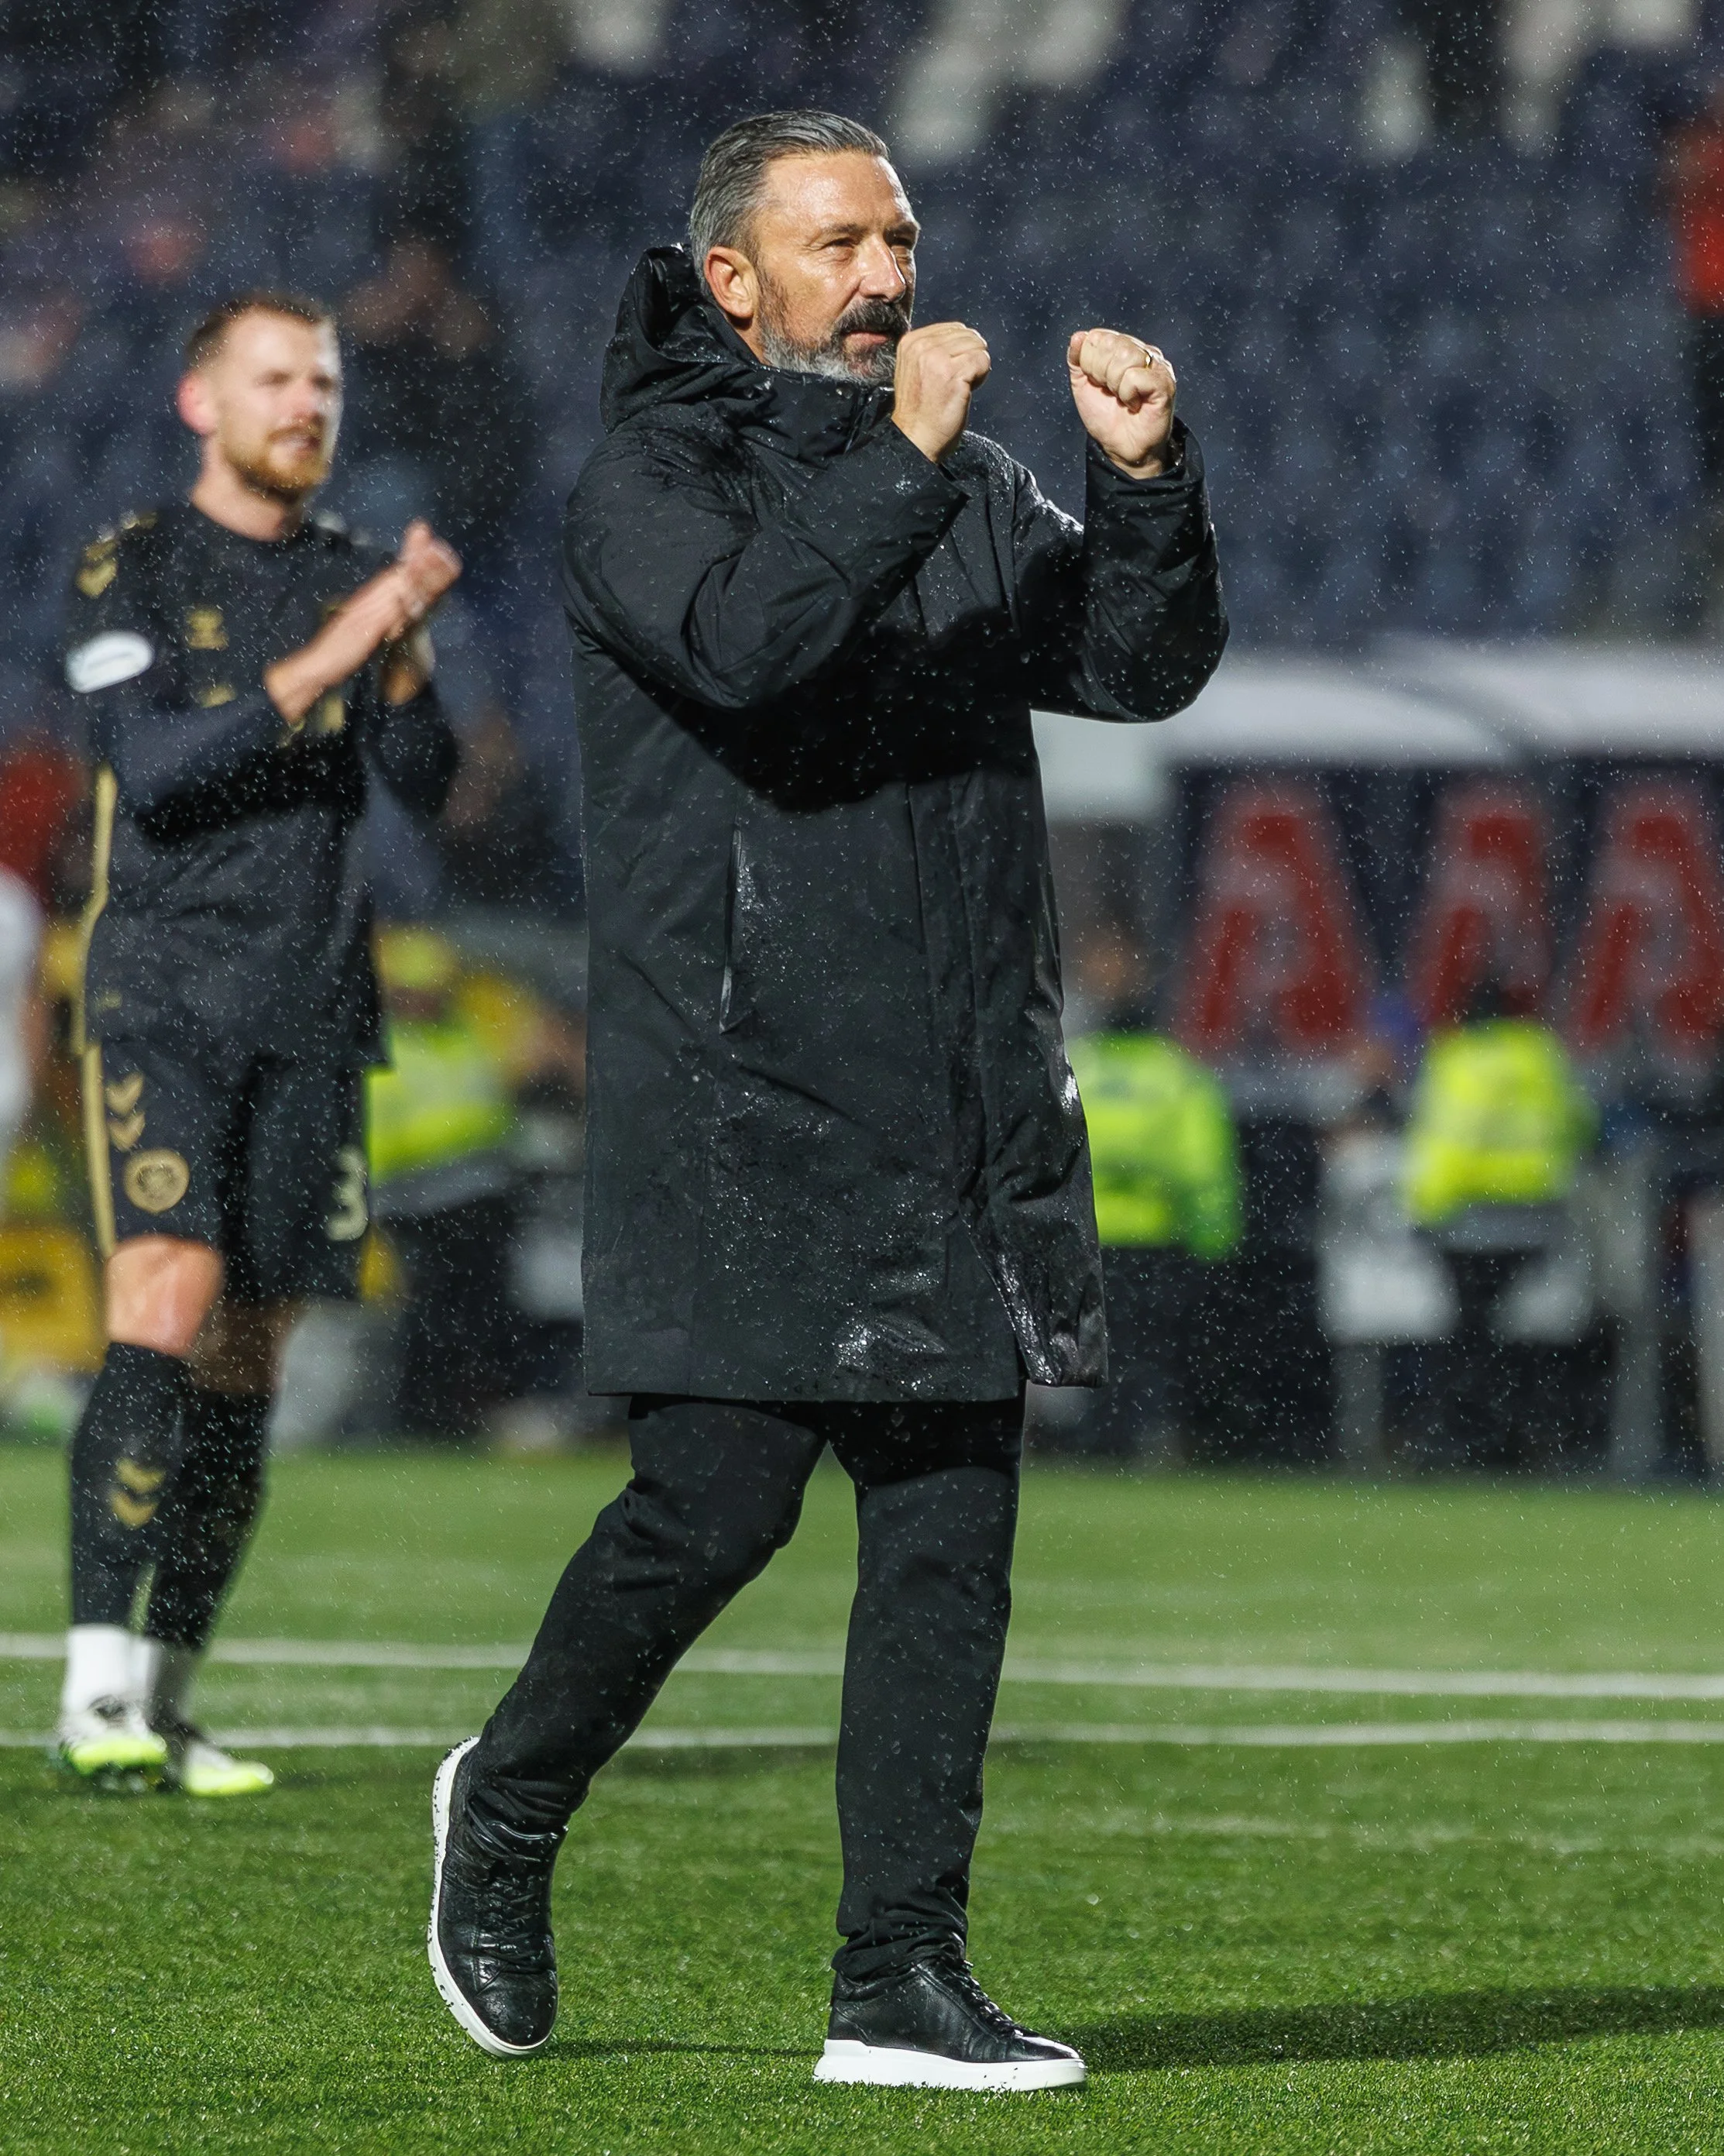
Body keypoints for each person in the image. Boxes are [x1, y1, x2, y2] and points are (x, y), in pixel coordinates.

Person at [427, 110, 1225, 2090]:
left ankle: (896, 1982)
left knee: (950, 1524)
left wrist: (1144, 487)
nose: (891, 273)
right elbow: (750, 647)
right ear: (734, 276)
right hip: (741, 1090)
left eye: (904, 236)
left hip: (953, 1085)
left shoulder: (958, 475)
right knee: (713, 1509)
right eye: (847, 242)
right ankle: (508, 1802)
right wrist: (908, 460)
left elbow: (1137, 669)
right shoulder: (652, 475)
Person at [56, 290, 462, 1796]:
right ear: (201, 401)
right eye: (277, 377)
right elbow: (155, 769)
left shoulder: (360, 573)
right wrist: (339, 647)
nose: (308, 402)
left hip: (314, 1001)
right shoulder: (135, 565)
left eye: (327, 380)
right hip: (168, 991)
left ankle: (165, 1694)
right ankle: (90, 1685)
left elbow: (426, 782)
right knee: (168, 1287)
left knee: (251, 1348)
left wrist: (401, 655)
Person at [1403, 988, 1596, 1464]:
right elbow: (1580, 1125)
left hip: (1470, 1220)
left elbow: (1447, 1140)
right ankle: (1529, 1436)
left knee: (1469, 1334)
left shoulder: (1460, 1058)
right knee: (1526, 1339)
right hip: (1537, 1216)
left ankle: (1465, 1438)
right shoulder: (1543, 1056)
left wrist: (1424, 1209)